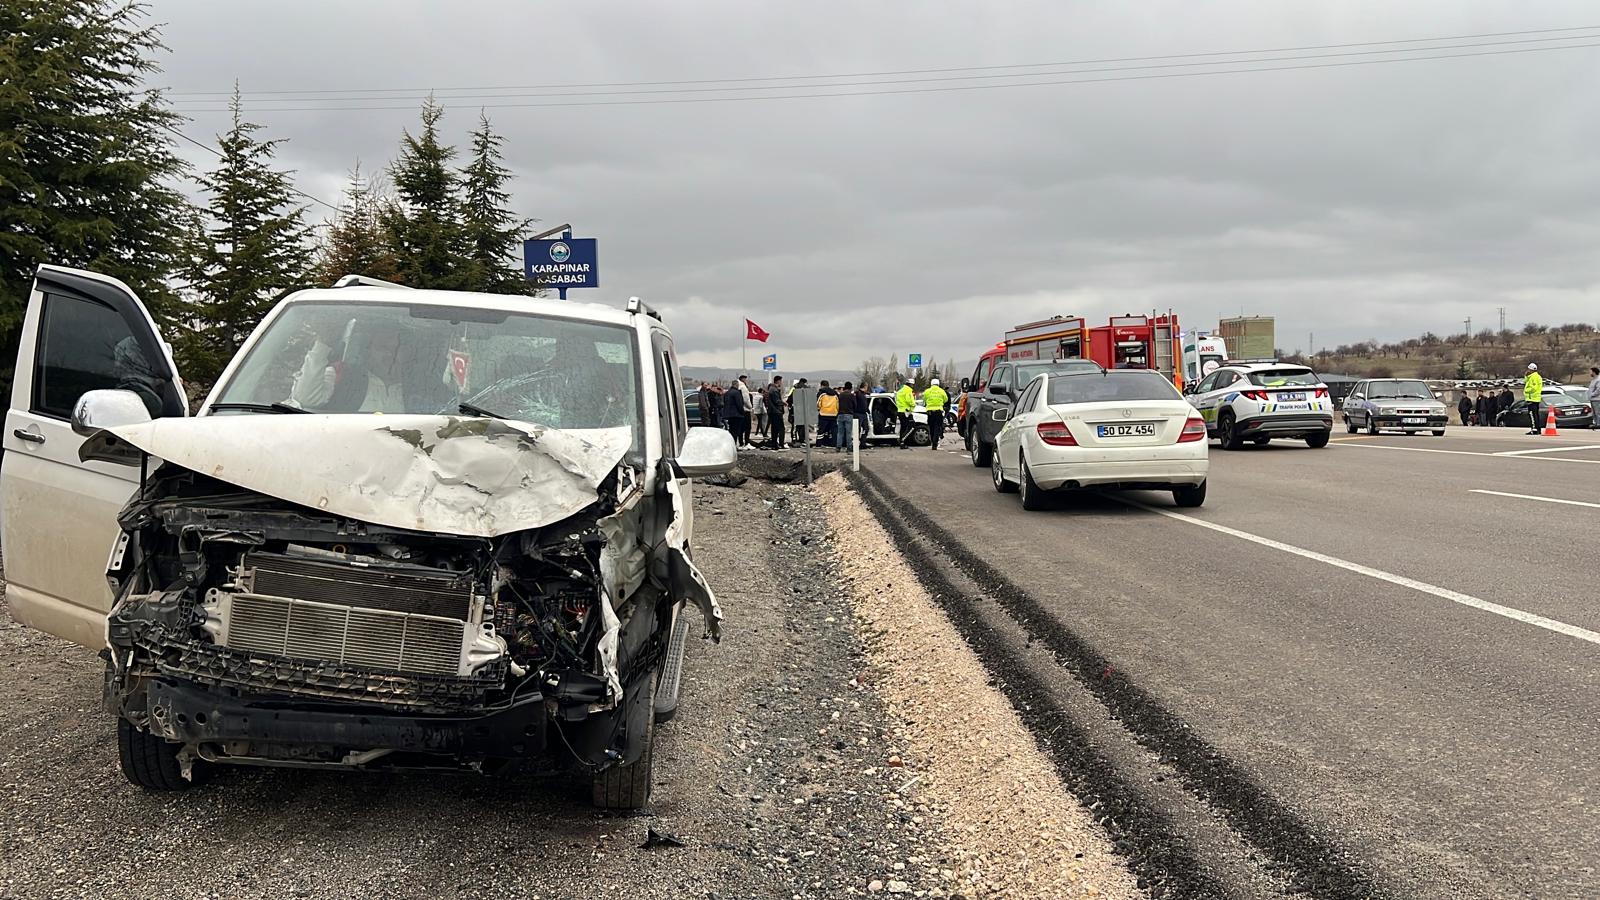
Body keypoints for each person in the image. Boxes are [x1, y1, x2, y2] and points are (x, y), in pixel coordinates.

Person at [291, 318, 409, 412]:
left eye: (397, 348)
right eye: (382, 347)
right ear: (368, 351)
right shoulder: (341, 375)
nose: (390, 354)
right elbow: (306, 398)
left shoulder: (418, 388)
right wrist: (323, 344)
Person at [922, 377, 949, 450]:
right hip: (938, 411)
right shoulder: (941, 391)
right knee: (937, 427)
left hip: (930, 412)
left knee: (931, 427)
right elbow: (946, 399)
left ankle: (932, 439)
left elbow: (924, 399)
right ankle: (935, 442)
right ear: (938, 384)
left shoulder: (927, 391)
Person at [722, 379, 748, 448]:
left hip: (729, 415)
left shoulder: (727, 393)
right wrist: (742, 413)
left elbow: (725, 403)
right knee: (736, 431)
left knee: (731, 430)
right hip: (737, 415)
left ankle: (731, 445)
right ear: (736, 385)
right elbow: (739, 404)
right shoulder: (737, 393)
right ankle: (734, 445)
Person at [835, 381, 858, 451]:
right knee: (848, 432)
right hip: (849, 414)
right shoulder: (851, 395)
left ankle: (838, 447)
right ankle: (849, 447)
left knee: (840, 432)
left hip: (840, 414)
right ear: (851, 388)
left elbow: (837, 405)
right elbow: (855, 405)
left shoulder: (840, 395)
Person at [894, 379, 916, 449]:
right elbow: (909, 400)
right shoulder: (908, 391)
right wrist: (913, 405)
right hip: (906, 412)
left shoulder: (900, 391)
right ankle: (902, 440)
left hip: (900, 411)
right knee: (911, 426)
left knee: (903, 427)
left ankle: (902, 442)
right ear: (911, 384)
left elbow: (897, 401)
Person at [765, 376, 786, 449]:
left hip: (772, 411)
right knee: (781, 428)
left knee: (774, 428)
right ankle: (781, 444)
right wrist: (784, 403)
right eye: (781, 381)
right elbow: (777, 401)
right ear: (778, 381)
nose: (781, 383)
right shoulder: (774, 390)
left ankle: (775, 444)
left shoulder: (771, 389)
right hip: (776, 411)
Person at [1523, 363, 1544, 434]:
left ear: (1531, 370)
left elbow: (1534, 387)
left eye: (1528, 369)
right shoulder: (1534, 376)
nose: (1527, 370)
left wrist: (1526, 391)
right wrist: (1526, 376)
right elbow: (1525, 382)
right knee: (1535, 414)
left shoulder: (1534, 377)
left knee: (1532, 414)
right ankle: (1537, 429)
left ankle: (1534, 429)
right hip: (1535, 398)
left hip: (1532, 398)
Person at [817, 380, 838, 446]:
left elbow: (818, 403)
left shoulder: (821, 393)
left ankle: (819, 444)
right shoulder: (835, 393)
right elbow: (838, 404)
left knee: (821, 430)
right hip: (833, 414)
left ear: (822, 385)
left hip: (823, 414)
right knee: (832, 430)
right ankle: (832, 443)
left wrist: (819, 409)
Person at [854, 383, 871, 449]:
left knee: (866, 428)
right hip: (858, 414)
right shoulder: (857, 394)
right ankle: (856, 443)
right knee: (857, 430)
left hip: (864, 414)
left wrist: (867, 411)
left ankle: (862, 443)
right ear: (865, 387)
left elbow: (865, 404)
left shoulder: (863, 395)